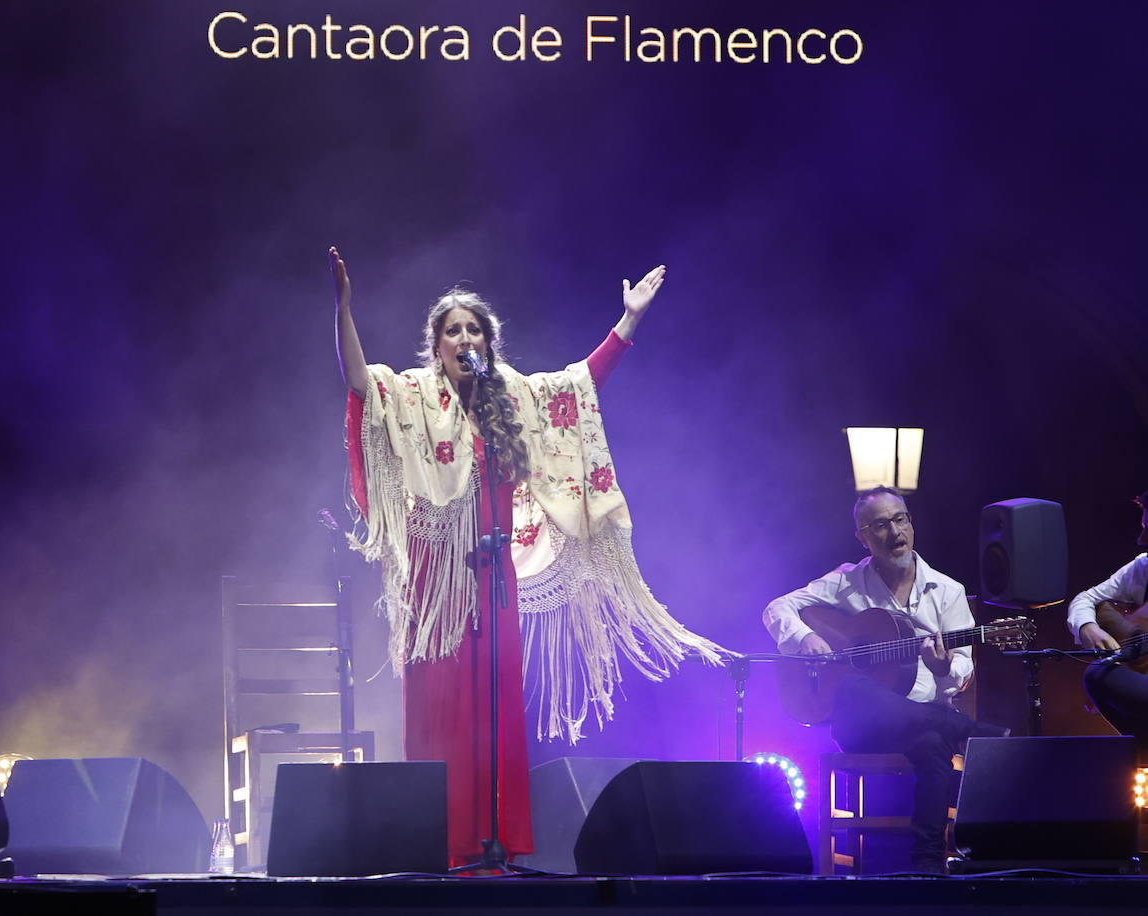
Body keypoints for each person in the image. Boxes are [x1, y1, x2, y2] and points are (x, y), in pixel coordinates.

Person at [331, 246, 726, 866]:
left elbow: (579, 386)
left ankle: (495, 843)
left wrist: (628, 324)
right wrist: (345, 310)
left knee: (494, 712)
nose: (465, 338)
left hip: (493, 577)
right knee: (440, 713)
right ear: (435, 346)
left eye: (474, 330)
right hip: (437, 584)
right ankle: (440, 843)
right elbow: (360, 383)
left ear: (489, 343)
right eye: (452, 330)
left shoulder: (510, 397)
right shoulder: (410, 396)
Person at [763, 486, 986, 875]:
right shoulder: (845, 582)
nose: (894, 532)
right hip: (863, 726)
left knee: (934, 743)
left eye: (900, 519)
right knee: (855, 687)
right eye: (880, 525)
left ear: (911, 524)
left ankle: (928, 861)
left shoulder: (948, 592)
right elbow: (777, 608)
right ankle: (964, 729)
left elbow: (962, 667)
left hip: (921, 718)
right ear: (863, 537)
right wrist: (805, 637)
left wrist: (942, 668)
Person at [1067, 488, 1148, 752]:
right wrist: (1088, 628)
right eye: (1144, 527)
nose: (1142, 538)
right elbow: (1085, 599)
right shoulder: (1143, 568)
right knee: (1098, 674)